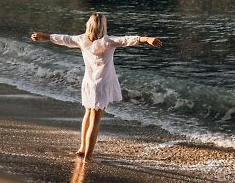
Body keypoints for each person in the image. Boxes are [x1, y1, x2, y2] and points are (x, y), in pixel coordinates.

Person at [31, 12, 162, 162]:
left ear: (89, 25)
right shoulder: (107, 41)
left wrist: (43, 36)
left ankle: (82, 150)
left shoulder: (82, 39)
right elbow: (126, 40)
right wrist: (147, 39)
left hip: (88, 83)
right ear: (103, 27)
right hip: (102, 85)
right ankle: (88, 157)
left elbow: (64, 39)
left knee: (88, 115)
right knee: (95, 121)